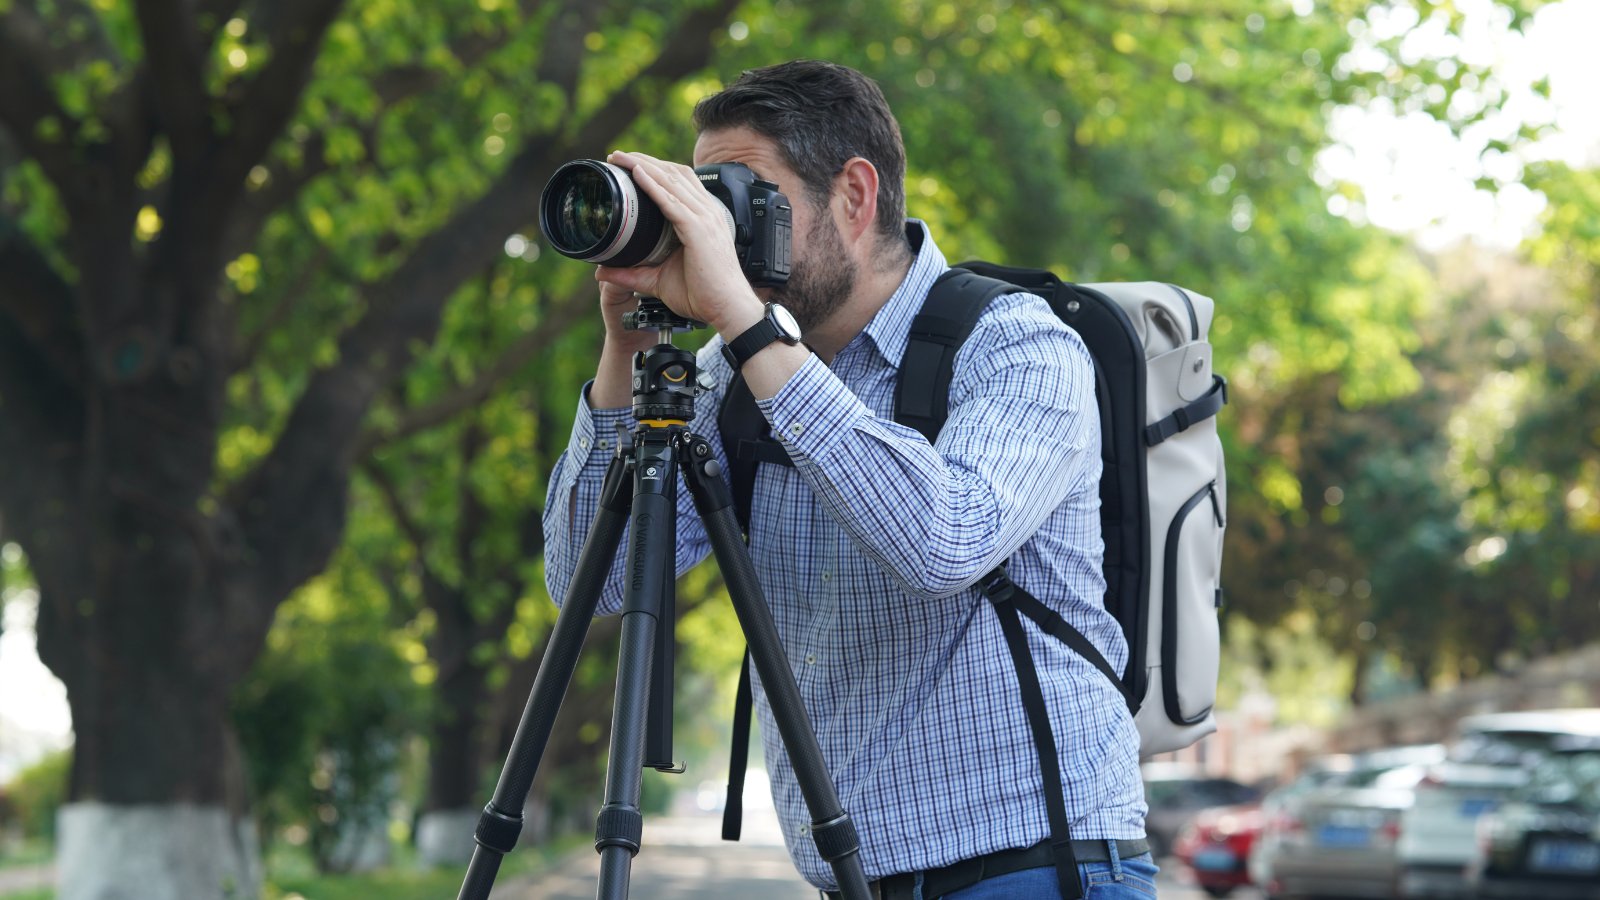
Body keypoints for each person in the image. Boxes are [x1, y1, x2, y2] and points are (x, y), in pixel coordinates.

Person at [543, 59, 1154, 899]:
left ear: (855, 197)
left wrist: (747, 326)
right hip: (852, 879)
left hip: (1035, 865)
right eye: (703, 201)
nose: (712, 233)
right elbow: (598, 580)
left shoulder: (1019, 343)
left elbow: (945, 543)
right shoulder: (733, 375)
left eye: (741, 197)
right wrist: (628, 346)